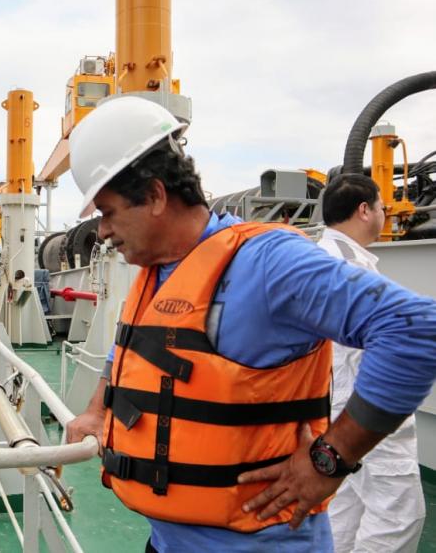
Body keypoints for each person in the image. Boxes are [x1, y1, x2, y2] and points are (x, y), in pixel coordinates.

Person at [64, 94, 436, 553]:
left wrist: (330, 459)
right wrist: (98, 410)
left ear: (156, 195)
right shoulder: (156, 273)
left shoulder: (268, 264)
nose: (100, 230)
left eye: (107, 211)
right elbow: (130, 349)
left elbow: (414, 328)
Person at [317, 173, 426, 552]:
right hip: (365, 413)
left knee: (345, 507)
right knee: (399, 515)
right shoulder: (351, 269)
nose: (386, 215)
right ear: (364, 210)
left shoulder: (321, 256)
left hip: (332, 411)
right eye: (382, 208)